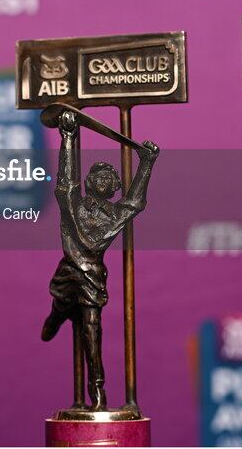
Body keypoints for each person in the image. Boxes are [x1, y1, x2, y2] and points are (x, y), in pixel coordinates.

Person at [40, 110, 158, 410]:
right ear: (89, 181)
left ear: (115, 185)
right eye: (99, 176)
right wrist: (67, 138)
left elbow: (135, 202)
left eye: (110, 177)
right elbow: (65, 183)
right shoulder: (73, 205)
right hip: (68, 274)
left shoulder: (115, 215)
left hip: (92, 278)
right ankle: (57, 314)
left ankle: (98, 393)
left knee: (92, 331)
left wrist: (147, 163)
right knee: (61, 308)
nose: (105, 180)